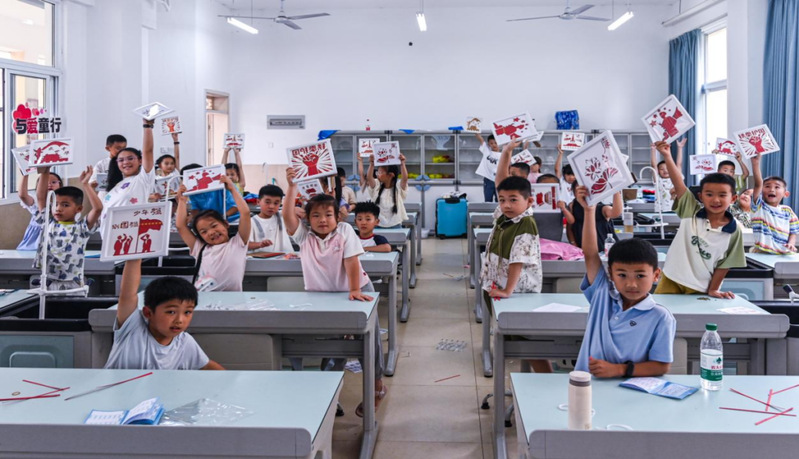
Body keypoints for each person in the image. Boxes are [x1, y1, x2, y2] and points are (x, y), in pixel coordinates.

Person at [283, 167, 387, 417]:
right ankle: (329, 393)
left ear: (337, 218)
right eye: (316, 215)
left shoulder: (344, 231)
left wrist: (354, 289)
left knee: (368, 341)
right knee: (332, 346)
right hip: (322, 299)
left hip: (356, 290)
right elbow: (287, 215)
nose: (323, 220)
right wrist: (292, 186)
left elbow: (351, 261)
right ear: (307, 219)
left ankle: (376, 386)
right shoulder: (304, 236)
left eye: (328, 215)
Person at [573, 184, 676, 378]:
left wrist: (619, 369)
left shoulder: (660, 317)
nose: (631, 284)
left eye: (640, 275)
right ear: (610, 274)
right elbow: (590, 253)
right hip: (587, 386)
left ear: (656, 275)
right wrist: (589, 211)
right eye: (622, 275)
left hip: (629, 389)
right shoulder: (602, 296)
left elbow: (661, 366)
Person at [482, 140, 550, 373]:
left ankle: (544, 379)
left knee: (525, 346)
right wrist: (507, 151)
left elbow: (517, 261)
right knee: (512, 340)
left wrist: (507, 291)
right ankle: (529, 381)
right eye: (502, 200)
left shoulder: (525, 223)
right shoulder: (505, 216)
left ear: (529, 201)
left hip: (517, 292)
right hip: (501, 287)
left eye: (513, 200)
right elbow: (500, 182)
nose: (506, 205)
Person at [653, 140, 746, 297]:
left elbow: (725, 264)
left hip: (701, 286)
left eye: (722, 195)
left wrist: (713, 289)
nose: (715, 200)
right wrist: (667, 156)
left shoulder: (734, 230)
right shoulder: (691, 212)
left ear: (733, 198)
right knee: (664, 310)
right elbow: (679, 183)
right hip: (672, 277)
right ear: (700, 196)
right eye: (709, 194)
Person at [103, 258, 224, 370]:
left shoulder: (184, 342)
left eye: (187, 312)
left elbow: (208, 367)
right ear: (148, 313)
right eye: (171, 312)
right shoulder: (132, 330)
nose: (179, 320)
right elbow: (127, 295)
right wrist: (135, 257)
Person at [175, 175, 251, 292]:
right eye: (203, 232)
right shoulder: (199, 248)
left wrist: (232, 188)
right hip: (204, 298)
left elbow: (245, 213)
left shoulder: (238, 243)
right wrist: (182, 201)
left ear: (226, 224)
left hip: (233, 300)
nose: (211, 232)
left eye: (214, 226)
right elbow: (181, 226)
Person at [33, 166, 102, 292]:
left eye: (65, 205)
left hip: (73, 284)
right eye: (55, 204)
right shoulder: (48, 222)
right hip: (49, 282)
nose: (58, 209)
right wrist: (45, 170)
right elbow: (41, 197)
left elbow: (98, 209)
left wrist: (86, 184)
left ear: (79, 209)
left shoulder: (81, 227)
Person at [99, 123, 155, 237]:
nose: (126, 162)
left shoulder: (142, 179)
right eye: (121, 160)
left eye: (130, 158)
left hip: (129, 239)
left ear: (140, 161)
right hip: (108, 239)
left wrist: (147, 126)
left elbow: (148, 151)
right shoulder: (117, 184)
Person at [749, 153, 799, 254]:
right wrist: (756, 163)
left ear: (786, 194)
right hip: (762, 252)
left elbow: (793, 231)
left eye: (777, 187)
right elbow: (758, 184)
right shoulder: (759, 207)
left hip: (784, 253)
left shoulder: (787, 210)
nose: (772, 189)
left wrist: (791, 244)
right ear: (762, 191)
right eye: (767, 186)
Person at [567, 180, 623, 253]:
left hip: (605, 248)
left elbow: (616, 213)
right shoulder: (572, 206)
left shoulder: (601, 208)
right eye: (580, 189)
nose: (584, 192)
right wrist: (574, 245)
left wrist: (616, 191)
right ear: (574, 192)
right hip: (582, 249)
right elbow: (570, 228)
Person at [16, 171, 62, 251]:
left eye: (54, 182)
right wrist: (25, 174)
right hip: (33, 243)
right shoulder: (36, 201)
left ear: (60, 185)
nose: (50, 184)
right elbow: (23, 195)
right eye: (45, 182)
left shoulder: (63, 202)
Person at [365, 153, 408, 228]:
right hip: (378, 224)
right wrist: (371, 164)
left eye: (381, 172)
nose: (378, 174)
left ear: (391, 175)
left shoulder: (398, 187)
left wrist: (402, 164)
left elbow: (404, 179)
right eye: (378, 172)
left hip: (395, 224)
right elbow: (369, 178)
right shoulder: (377, 185)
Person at [248, 184, 294, 253]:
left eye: (276, 203)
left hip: (286, 258)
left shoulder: (282, 216)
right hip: (263, 259)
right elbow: (245, 244)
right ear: (258, 202)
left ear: (280, 203)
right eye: (267, 202)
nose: (271, 206)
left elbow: (293, 211)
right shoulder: (251, 222)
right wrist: (259, 244)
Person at [649, 138, 684, 212]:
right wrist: (653, 150)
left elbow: (679, 164)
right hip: (660, 210)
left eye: (668, 168)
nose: (665, 170)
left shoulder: (676, 179)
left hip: (676, 210)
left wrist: (680, 148)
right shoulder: (658, 180)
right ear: (658, 171)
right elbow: (653, 165)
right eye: (662, 169)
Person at [90, 134, 127, 198]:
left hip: (122, 196)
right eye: (118, 148)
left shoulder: (128, 163)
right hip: (105, 197)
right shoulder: (101, 164)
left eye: (124, 148)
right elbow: (92, 182)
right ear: (108, 148)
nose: (122, 151)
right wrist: (94, 183)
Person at [474, 133, 501, 202]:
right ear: (488, 144)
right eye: (491, 143)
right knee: (488, 200)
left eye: (496, 143)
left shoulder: (503, 155)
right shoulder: (487, 151)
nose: (494, 145)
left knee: (499, 200)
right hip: (488, 179)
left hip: (500, 180)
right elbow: (481, 139)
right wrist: (476, 131)